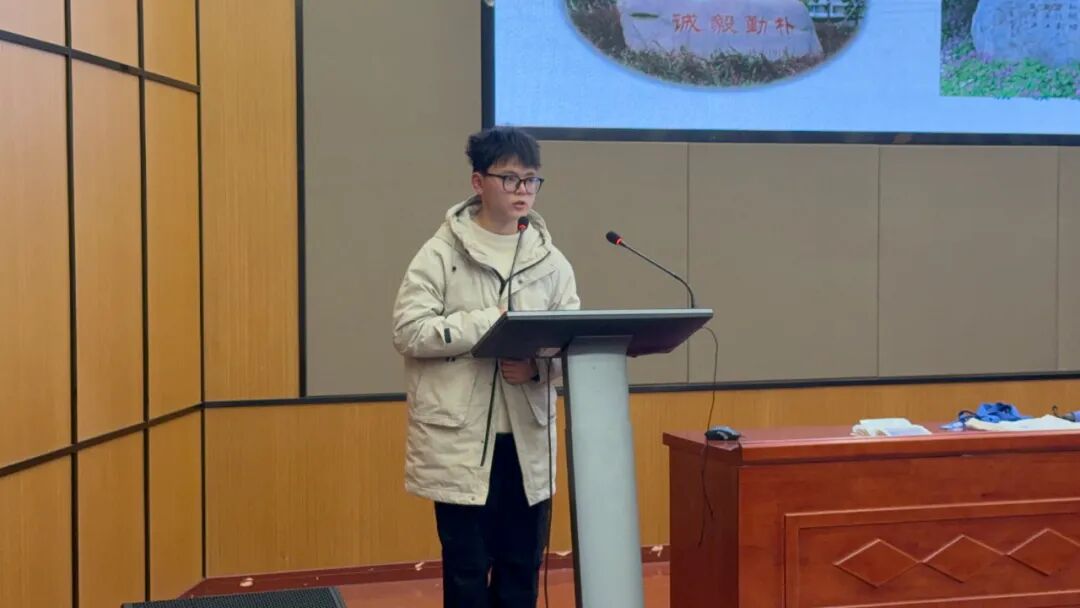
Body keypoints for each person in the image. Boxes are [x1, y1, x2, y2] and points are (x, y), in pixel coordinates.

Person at [391, 126, 580, 607]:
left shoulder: (551, 261)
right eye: (510, 178)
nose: (523, 191)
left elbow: (571, 344)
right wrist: (488, 323)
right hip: (461, 440)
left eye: (531, 180)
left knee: (521, 570)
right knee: (467, 572)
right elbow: (409, 331)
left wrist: (538, 370)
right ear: (478, 182)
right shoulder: (440, 253)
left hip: (527, 441)